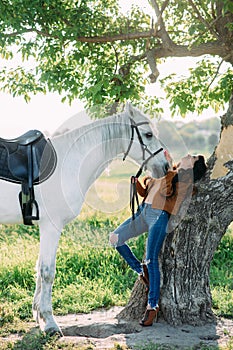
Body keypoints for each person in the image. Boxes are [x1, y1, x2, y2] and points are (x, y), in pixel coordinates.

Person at [109, 153, 207, 326]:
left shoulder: (183, 182)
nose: (187, 155)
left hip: (159, 215)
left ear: (192, 166)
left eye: (192, 157)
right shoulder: (167, 172)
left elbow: (166, 191)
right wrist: (137, 184)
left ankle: (152, 306)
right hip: (142, 212)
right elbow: (145, 191)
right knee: (115, 238)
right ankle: (140, 271)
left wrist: (168, 169)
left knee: (151, 258)